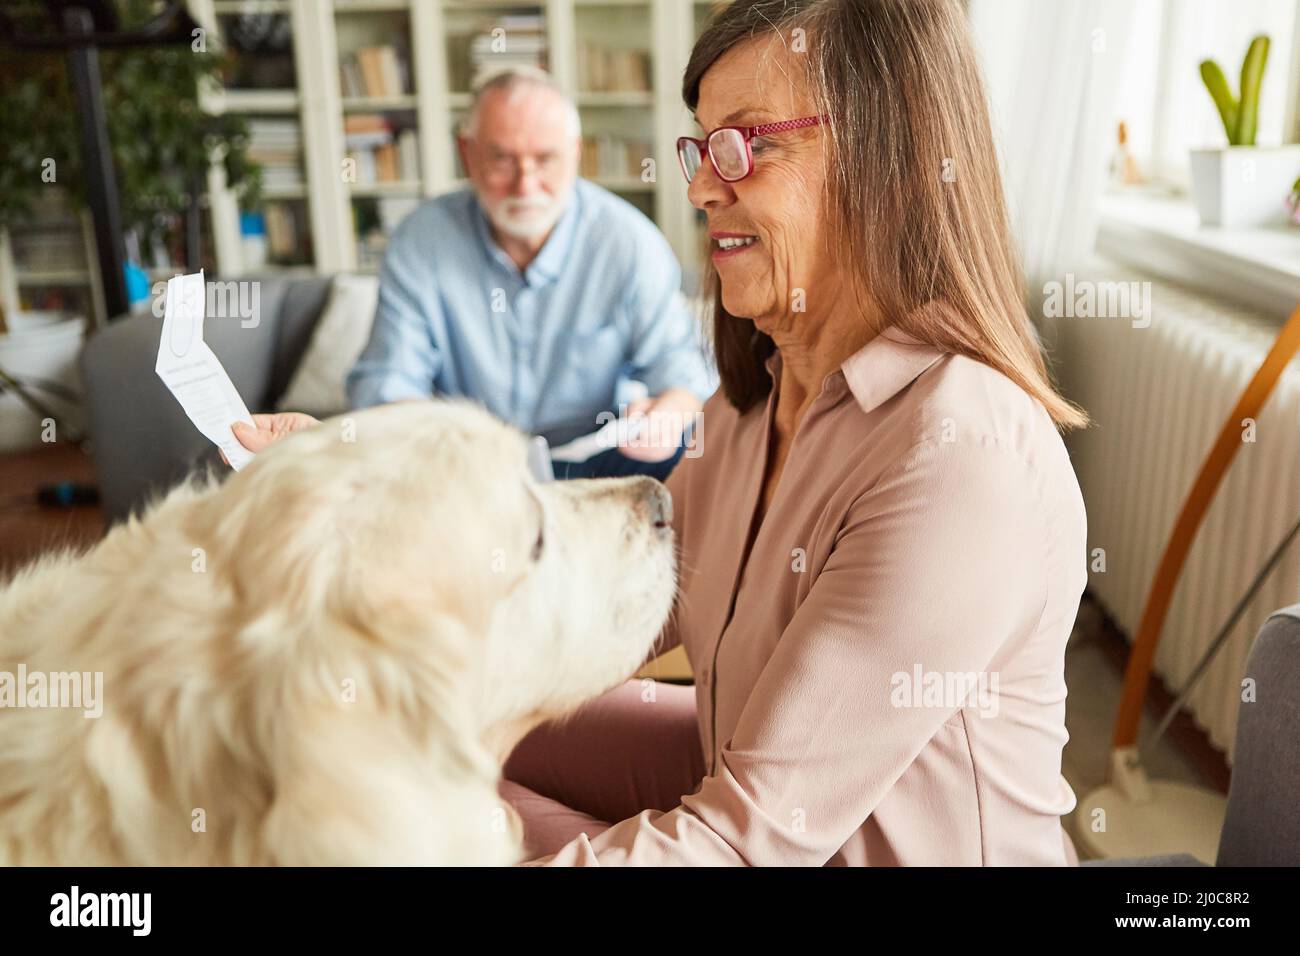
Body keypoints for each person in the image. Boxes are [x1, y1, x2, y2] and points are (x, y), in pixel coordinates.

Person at [233, 0, 1089, 866]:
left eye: (749, 143)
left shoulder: (958, 456)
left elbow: (743, 843)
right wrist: (368, 499)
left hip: (776, 840)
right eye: (705, 143)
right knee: (423, 733)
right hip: (736, 769)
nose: (702, 186)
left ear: (892, 159)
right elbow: (604, 593)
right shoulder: (757, 399)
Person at [346, 65, 715, 479]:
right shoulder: (421, 241)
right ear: (467, 154)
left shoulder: (629, 242)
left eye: (545, 159)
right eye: (502, 159)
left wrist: (665, 416)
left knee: (689, 447)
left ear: (575, 153)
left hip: (593, 462)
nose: (526, 185)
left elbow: (682, 375)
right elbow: (387, 383)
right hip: (465, 467)